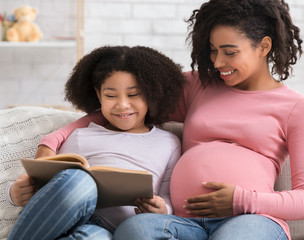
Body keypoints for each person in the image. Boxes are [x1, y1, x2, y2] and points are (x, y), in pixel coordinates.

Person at [22, 0, 304, 239]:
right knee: (134, 231)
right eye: (212, 51)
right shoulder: (200, 85)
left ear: (264, 46)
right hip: (181, 223)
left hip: (250, 219)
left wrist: (243, 200)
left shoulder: (296, 107)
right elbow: (122, 106)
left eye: (229, 52)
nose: (217, 62)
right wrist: (51, 142)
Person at [6, 45, 186, 239]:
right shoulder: (81, 136)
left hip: (118, 231)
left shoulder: (168, 142)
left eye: (133, 94)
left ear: (151, 94)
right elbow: (50, 187)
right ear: (98, 95)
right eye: (110, 95)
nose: (122, 104)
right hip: (77, 220)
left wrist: (162, 209)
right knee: (79, 181)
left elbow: (168, 196)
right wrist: (13, 194)